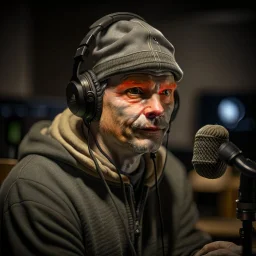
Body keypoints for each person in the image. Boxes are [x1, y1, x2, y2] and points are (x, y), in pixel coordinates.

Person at [0, 12, 242, 256]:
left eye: (167, 92)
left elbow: (184, 247)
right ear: (89, 100)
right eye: (136, 90)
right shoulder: (37, 189)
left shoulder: (170, 174)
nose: (158, 109)